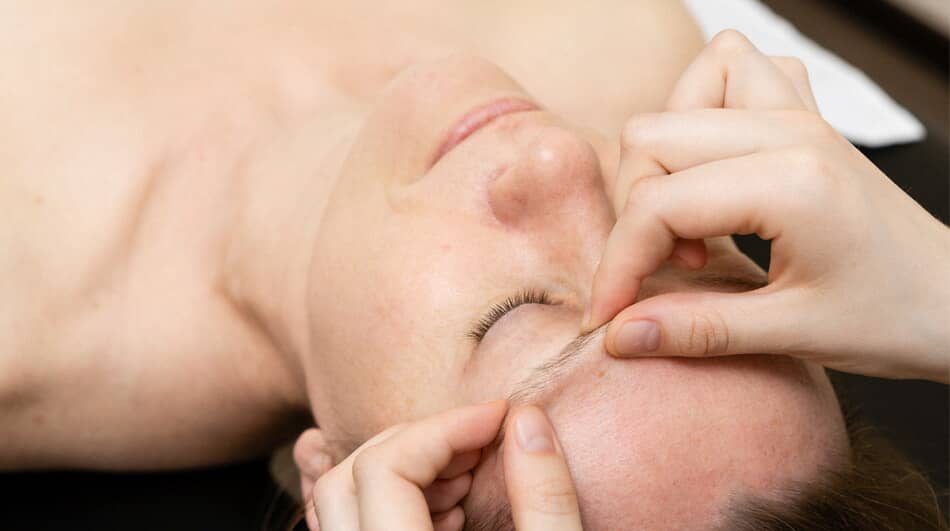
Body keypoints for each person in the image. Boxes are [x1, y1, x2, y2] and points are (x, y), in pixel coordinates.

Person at [0, 1, 945, 529]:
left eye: (513, 312)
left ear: (338, 474)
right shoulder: (626, 43)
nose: (561, 157)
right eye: (674, 243)